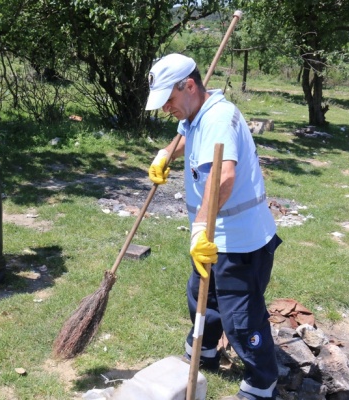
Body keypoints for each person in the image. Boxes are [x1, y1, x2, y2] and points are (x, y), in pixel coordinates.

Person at [145, 53, 282, 400]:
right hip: (215, 236)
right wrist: (165, 153)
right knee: (203, 297)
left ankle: (262, 380)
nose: (165, 110)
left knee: (241, 316)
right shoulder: (196, 114)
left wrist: (199, 228)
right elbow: (183, 137)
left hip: (240, 240)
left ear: (189, 86)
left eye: (169, 101)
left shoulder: (218, 118)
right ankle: (205, 349)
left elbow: (224, 175)